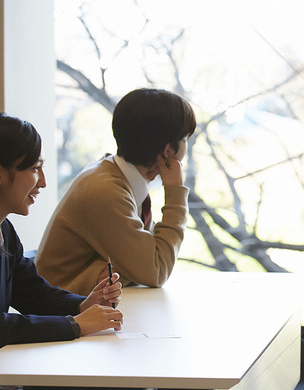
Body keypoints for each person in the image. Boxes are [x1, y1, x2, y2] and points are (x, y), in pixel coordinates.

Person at [0, 114, 135, 390]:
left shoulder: (5, 231)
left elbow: (34, 294)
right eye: (35, 169)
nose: (44, 182)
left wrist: (82, 306)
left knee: (125, 388)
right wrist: (73, 326)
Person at [36, 88, 196, 295]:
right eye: (184, 138)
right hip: (60, 316)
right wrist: (175, 192)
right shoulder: (106, 191)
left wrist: (124, 269)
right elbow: (157, 270)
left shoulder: (118, 175)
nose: (185, 147)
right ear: (167, 150)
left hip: (81, 308)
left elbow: (146, 262)